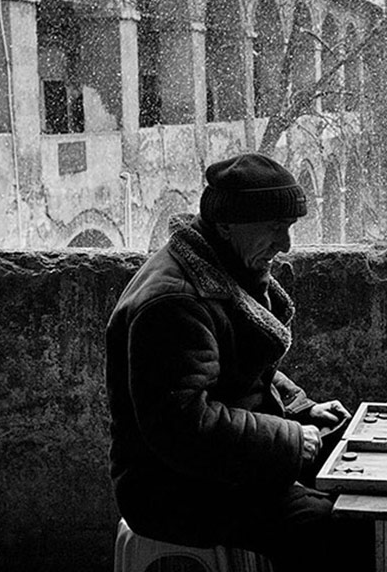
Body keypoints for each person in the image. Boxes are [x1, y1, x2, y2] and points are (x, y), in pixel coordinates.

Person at [106, 152, 360, 568]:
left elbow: (246, 368)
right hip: (174, 491)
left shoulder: (218, 266)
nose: (285, 245)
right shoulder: (174, 303)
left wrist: (303, 409)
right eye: (274, 228)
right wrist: (293, 439)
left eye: (289, 227)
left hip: (216, 470)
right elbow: (186, 428)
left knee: (350, 463)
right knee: (341, 529)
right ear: (227, 224)